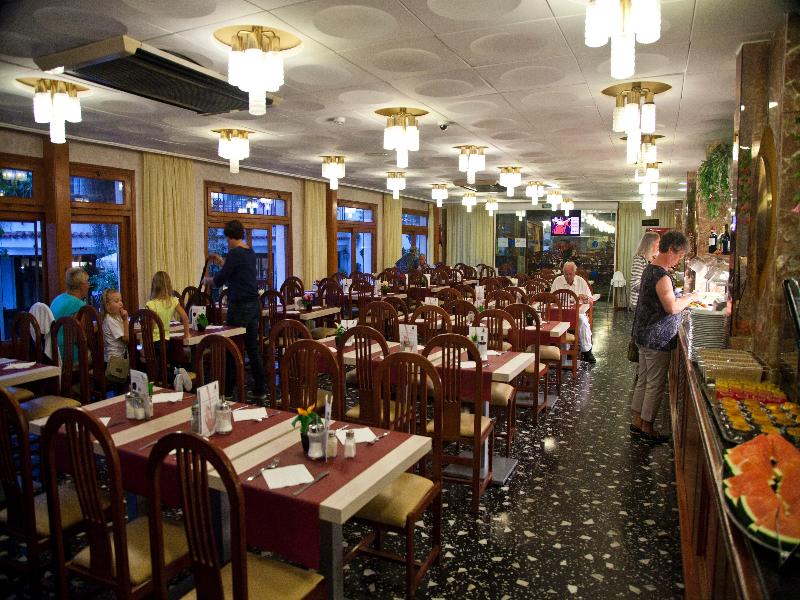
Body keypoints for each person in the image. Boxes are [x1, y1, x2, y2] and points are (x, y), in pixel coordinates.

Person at [630, 231, 698, 442]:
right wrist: (691, 297)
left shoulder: (649, 269)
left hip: (644, 334)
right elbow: (672, 307)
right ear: (670, 250)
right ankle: (647, 427)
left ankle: (637, 421)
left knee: (644, 379)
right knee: (654, 383)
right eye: (679, 255)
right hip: (657, 338)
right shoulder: (661, 275)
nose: (678, 260)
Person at [203, 220, 267, 403]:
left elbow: (220, 280)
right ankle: (260, 388)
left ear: (231, 237)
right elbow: (237, 271)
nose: (227, 242)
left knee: (232, 348)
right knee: (252, 348)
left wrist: (207, 280)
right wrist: (223, 263)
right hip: (253, 305)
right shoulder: (249, 251)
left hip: (239, 307)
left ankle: (228, 390)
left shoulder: (234, 253)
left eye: (227, 239)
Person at [145, 271, 192, 389]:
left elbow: (151, 326)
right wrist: (187, 334)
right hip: (166, 340)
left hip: (155, 341)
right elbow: (185, 317)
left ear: (154, 286)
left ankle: (174, 377)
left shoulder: (151, 304)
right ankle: (178, 371)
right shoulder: (173, 301)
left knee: (156, 371)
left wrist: (145, 343)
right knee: (163, 366)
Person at [550, 261, 596, 364]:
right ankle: (561, 351)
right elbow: (551, 298)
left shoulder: (581, 281)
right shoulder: (558, 281)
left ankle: (587, 351)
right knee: (553, 322)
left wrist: (585, 297)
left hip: (577, 313)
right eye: (565, 274)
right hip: (560, 312)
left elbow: (591, 300)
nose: (568, 276)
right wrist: (556, 298)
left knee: (583, 321)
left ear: (575, 273)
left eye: (570, 274)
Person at [50, 267, 89, 359]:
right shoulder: (80, 305)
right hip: (70, 354)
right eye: (87, 282)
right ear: (81, 285)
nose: (88, 285)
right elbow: (82, 336)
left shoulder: (58, 299)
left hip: (53, 352)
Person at [101, 288, 129, 389]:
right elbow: (126, 339)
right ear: (108, 306)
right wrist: (125, 320)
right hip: (114, 361)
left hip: (119, 357)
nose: (121, 303)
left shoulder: (116, 317)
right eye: (116, 301)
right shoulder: (110, 320)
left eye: (121, 300)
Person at [630, 231, 660, 310]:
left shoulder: (653, 258)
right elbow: (635, 284)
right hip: (640, 303)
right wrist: (656, 287)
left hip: (649, 302)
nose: (659, 246)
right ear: (650, 244)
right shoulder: (639, 259)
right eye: (658, 243)